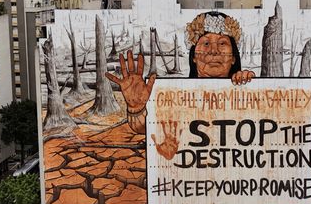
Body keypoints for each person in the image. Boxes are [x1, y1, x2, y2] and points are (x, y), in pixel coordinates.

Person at [106, 12, 256, 158]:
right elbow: (143, 127)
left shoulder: (249, 91)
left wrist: (252, 87)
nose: (214, 51)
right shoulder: (176, 96)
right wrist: (136, 108)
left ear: (234, 58)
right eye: (206, 43)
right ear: (194, 57)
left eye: (222, 43)